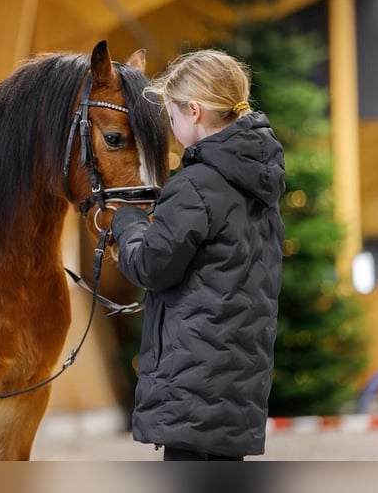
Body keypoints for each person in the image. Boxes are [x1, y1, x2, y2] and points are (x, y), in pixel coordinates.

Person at [110, 49, 285, 461]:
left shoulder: (195, 186)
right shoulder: (261, 183)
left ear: (194, 111)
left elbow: (150, 265)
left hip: (191, 381)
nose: (171, 129)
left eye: (172, 118)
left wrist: (127, 222)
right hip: (241, 382)